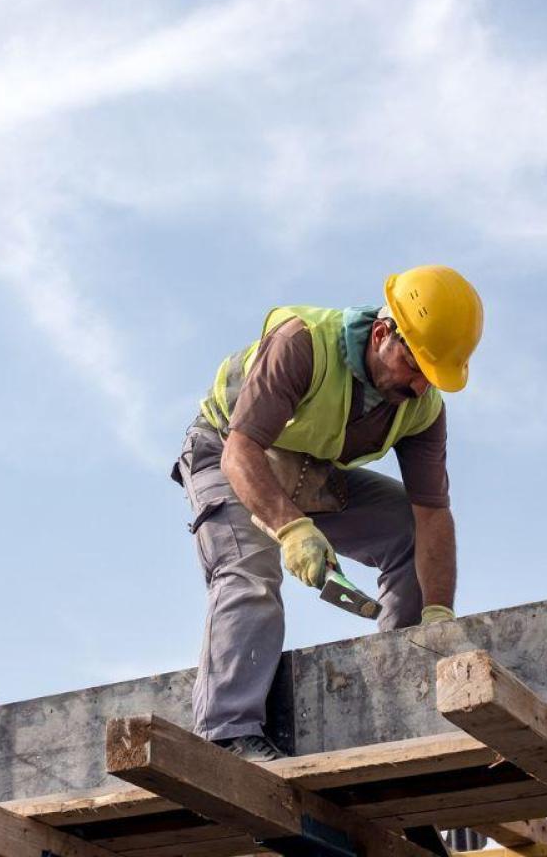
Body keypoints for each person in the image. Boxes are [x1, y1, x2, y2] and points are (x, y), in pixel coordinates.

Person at [172, 265, 484, 762]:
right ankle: (228, 735)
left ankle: (406, 687)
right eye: (416, 367)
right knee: (249, 573)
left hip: (307, 469)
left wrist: (438, 615)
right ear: (383, 334)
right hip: (226, 451)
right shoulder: (302, 344)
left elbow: (432, 515)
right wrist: (292, 528)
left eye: (433, 376)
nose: (422, 386)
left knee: (405, 530)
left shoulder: (422, 410)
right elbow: (241, 452)